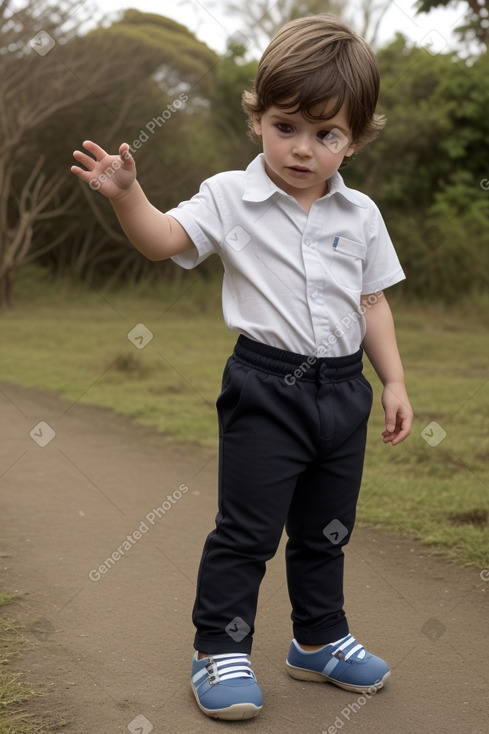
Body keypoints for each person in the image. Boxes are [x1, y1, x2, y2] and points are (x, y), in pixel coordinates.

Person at [71, 13, 413, 722]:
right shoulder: (230, 195)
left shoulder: (361, 214)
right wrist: (129, 195)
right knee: (247, 531)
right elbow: (164, 240)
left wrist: (394, 382)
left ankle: (318, 640)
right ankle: (217, 650)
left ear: (355, 138)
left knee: (328, 529)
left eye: (327, 135)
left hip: (343, 390)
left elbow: (371, 301)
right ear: (257, 117)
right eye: (286, 126)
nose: (303, 149)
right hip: (266, 387)